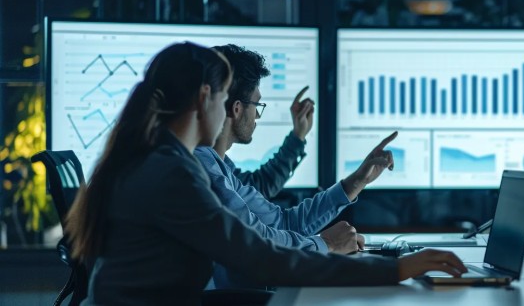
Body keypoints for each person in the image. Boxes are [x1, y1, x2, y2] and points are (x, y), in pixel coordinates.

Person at [64, 42, 466, 305]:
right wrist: (397, 269)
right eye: (226, 98)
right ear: (206, 99)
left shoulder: (165, 159)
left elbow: (268, 235)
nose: (233, 112)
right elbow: (259, 255)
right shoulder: (173, 173)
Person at [195, 44, 389, 289]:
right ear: (236, 108)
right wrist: (327, 244)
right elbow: (260, 243)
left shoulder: (222, 168)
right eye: (257, 106)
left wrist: (357, 182)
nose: (257, 116)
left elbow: (283, 224)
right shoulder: (203, 166)